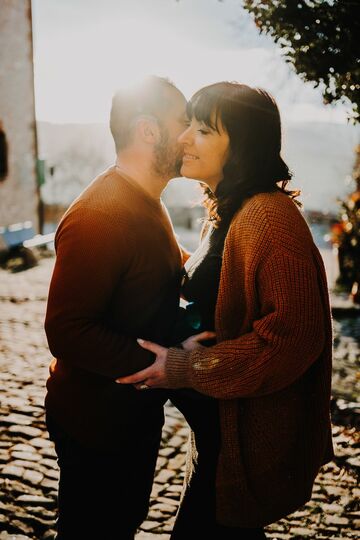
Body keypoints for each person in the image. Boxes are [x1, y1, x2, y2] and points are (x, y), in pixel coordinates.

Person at [117, 82, 334, 539]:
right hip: (216, 439)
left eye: (204, 130)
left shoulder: (268, 219)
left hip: (238, 441)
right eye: (188, 125)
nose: (184, 138)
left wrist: (188, 367)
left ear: (242, 144)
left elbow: (293, 337)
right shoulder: (228, 211)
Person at [44, 75, 189, 539]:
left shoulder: (148, 201)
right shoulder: (99, 214)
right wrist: (161, 364)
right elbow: (66, 330)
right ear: (149, 130)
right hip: (96, 426)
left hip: (128, 420)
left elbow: (162, 270)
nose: (190, 135)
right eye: (183, 123)